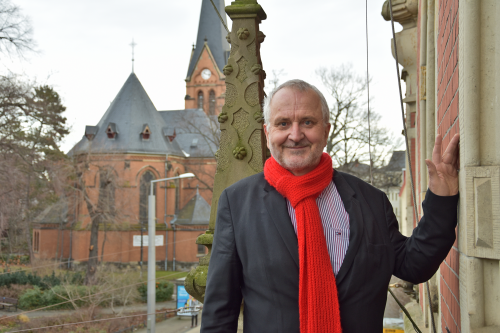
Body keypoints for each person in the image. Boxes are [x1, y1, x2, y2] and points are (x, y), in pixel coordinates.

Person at [201, 80, 459, 332]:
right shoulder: (237, 203)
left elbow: (414, 265)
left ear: (326, 131)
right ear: (268, 133)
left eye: (307, 122)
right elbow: (220, 310)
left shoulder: (371, 202)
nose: (295, 134)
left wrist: (442, 199)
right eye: (283, 124)